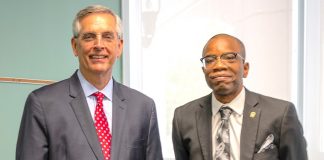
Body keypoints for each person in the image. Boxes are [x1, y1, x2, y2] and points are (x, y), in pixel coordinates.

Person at [16, 5, 163, 160]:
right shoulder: (43, 104)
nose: (99, 45)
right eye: (89, 37)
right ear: (74, 46)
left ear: (119, 47)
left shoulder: (143, 107)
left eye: (107, 36)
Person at [172, 33, 307, 160]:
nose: (219, 65)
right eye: (210, 60)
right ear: (204, 71)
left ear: (245, 68)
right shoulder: (183, 117)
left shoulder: (280, 114)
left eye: (230, 57)